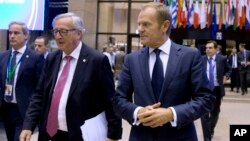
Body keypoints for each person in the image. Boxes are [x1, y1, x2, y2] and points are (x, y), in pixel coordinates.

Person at [112, 2, 215, 141]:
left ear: (164, 26)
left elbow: (206, 99)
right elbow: (118, 99)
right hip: (142, 136)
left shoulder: (190, 56)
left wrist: (171, 114)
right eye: (139, 24)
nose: (140, 29)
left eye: (146, 24)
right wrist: (138, 112)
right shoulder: (131, 59)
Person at [19, 12, 122, 141]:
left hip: (80, 134)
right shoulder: (52, 58)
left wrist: (113, 135)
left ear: (78, 33)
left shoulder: (96, 60)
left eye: (63, 31)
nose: (57, 36)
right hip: (50, 134)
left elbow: (110, 100)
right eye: (55, 31)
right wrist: (28, 125)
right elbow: (40, 94)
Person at [0, 21, 45, 141]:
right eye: (10, 33)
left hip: (24, 110)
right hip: (6, 108)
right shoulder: (3, 56)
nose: (12, 36)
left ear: (26, 35)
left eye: (16, 33)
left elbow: (40, 87)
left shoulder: (35, 57)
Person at [200, 41, 231, 141]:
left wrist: (227, 76)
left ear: (216, 49)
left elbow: (229, 69)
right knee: (204, 114)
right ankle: (207, 137)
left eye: (210, 48)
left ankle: (211, 129)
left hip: (217, 90)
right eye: (206, 48)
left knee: (215, 112)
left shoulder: (222, 59)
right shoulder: (201, 59)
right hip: (204, 90)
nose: (208, 50)